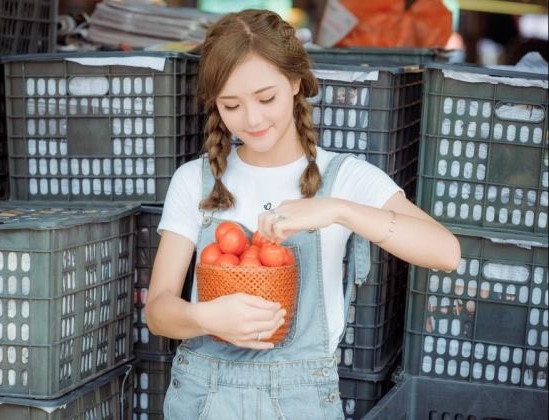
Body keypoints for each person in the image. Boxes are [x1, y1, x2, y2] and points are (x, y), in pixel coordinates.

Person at [146, 9, 460, 419]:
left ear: (295, 82)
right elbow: (157, 311)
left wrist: (338, 210)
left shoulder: (343, 177)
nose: (253, 119)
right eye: (232, 105)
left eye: (266, 98)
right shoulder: (195, 180)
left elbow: (446, 252)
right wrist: (204, 316)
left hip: (301, 401)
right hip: (203, 398)